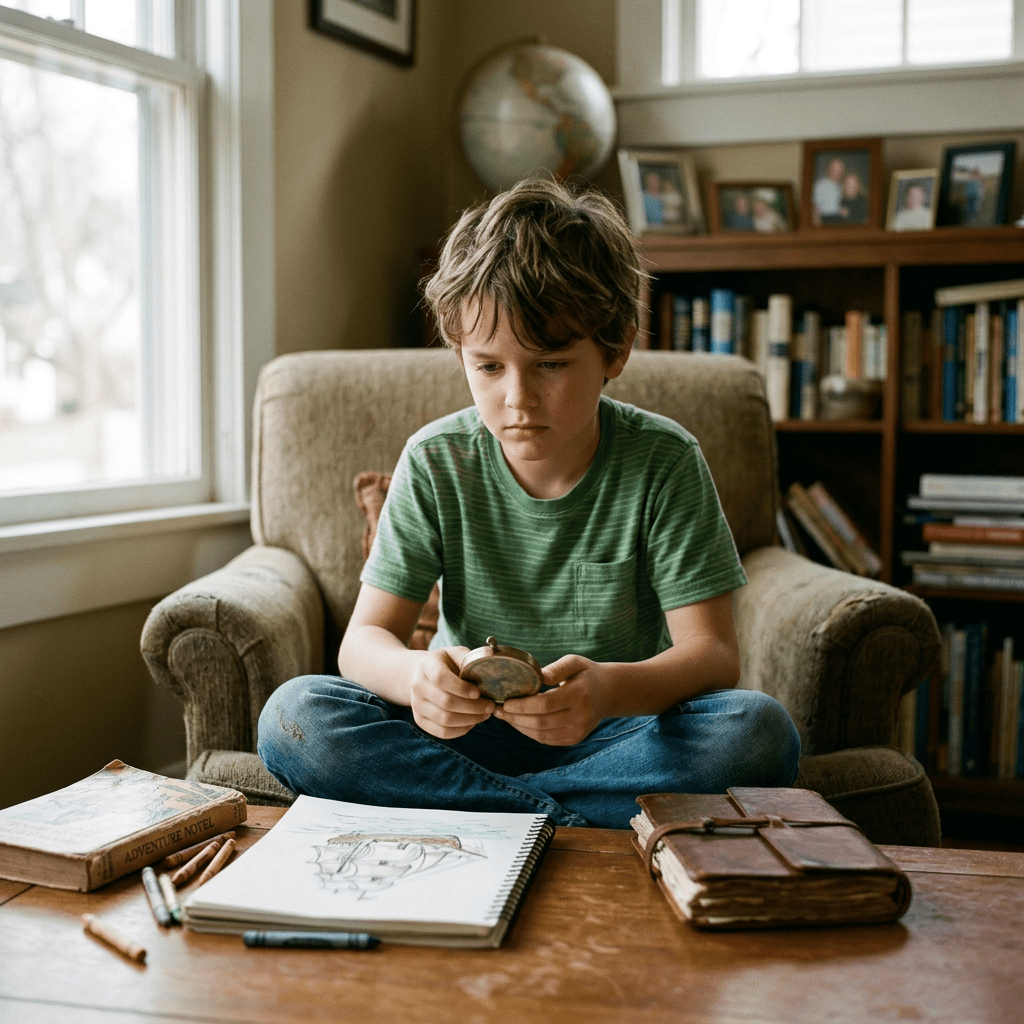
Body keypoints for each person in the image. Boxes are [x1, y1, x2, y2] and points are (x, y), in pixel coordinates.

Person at [257, 177, 801, 830]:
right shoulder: (436, 461)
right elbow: (364, 644)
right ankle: (565, 821)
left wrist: (606, 692)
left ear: (616, 349)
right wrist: (418, 679)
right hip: (462, 738)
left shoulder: (664, 460)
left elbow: (712, 656)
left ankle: (481, 815)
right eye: (488, 367)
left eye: (550, 364)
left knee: (759, 732)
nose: (518, 397)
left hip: (612, 737)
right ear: (460, 355)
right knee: (295, 716)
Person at [812, 156, 845, 224]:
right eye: (834, 168)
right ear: (829, 168)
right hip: (825, 221)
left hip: (841, 222)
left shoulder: (844, 186)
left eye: (840, 168)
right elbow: (814, 208)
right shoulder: (820, 185)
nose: (837, 171)